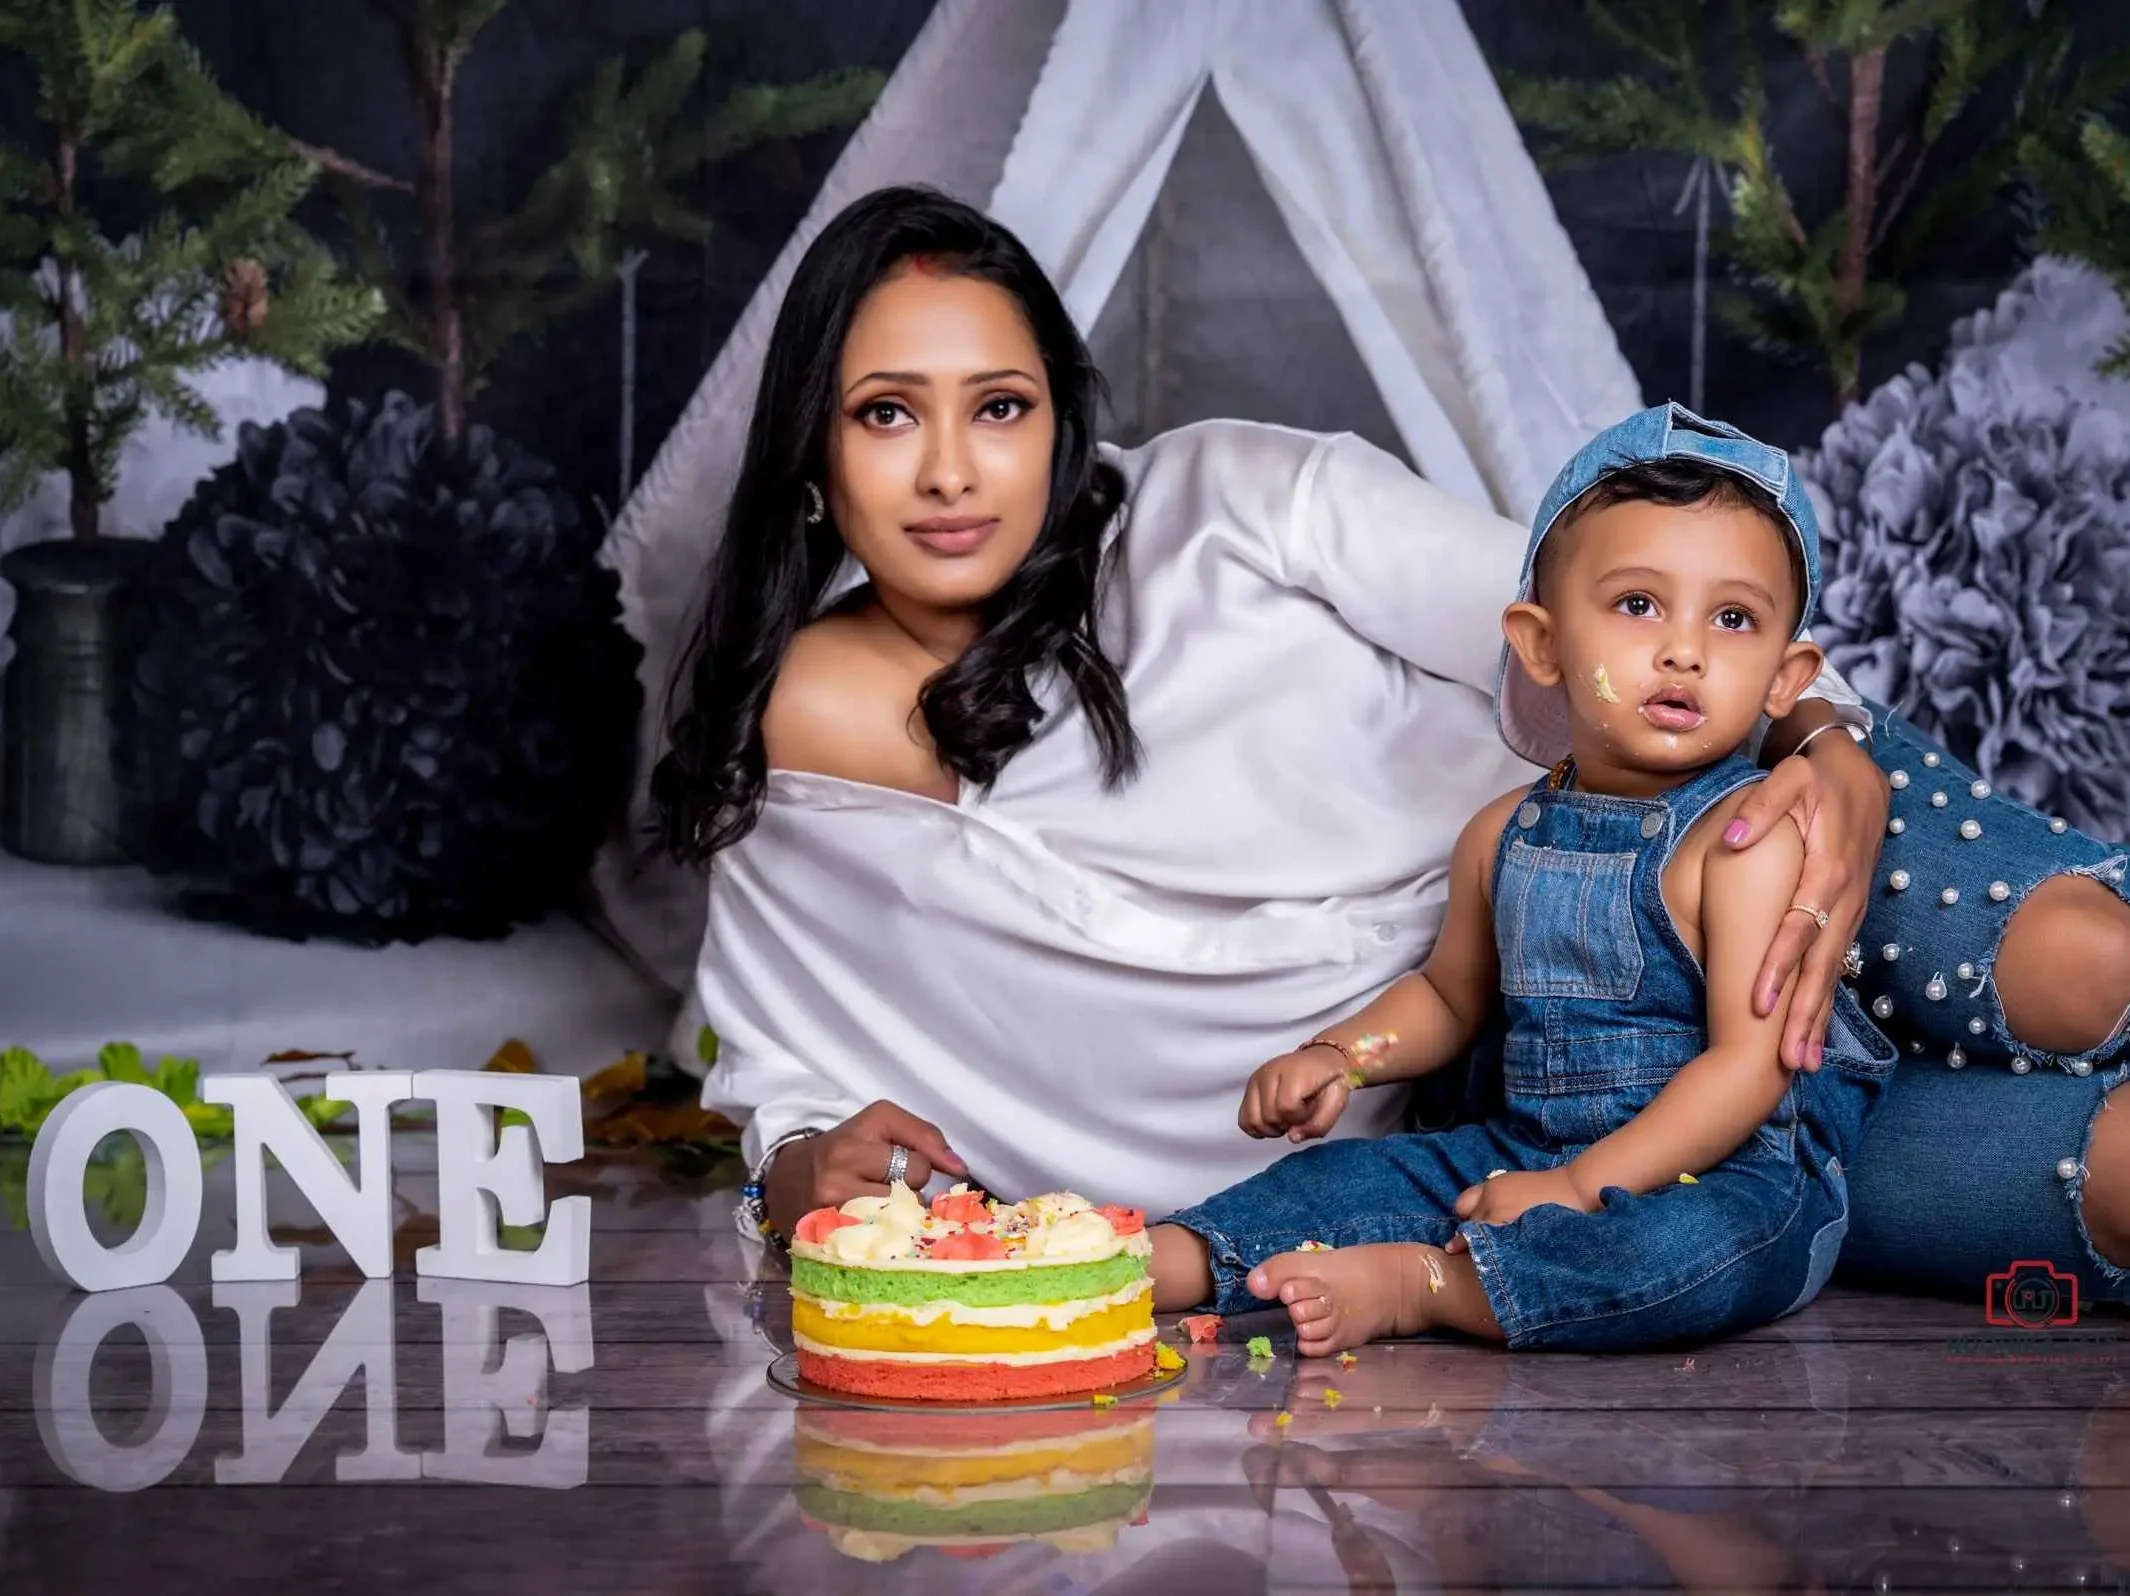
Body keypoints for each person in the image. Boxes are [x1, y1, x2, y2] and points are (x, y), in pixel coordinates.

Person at [650, 185, 2130, 1311]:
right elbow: (783, 1068)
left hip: (1725, 814)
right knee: (2115, 1181)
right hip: (1533, 1089)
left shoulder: (1233, 508)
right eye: (888, 414)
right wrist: (798, 1174)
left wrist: (1831, 750)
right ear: (811, 453)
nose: (955, 470)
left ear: (1060, 417)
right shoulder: (793, 746)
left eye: (1002, 407)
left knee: (2081, 968)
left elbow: (1628, 626)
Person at [1146, 403, 1899, 1352]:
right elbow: (1446, 1001)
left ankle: (1431, 1286)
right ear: (1540, 643)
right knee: (1353, 1178)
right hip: (1523, 1143)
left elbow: (1745, 1070)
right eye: (1638, 605)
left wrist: (1582, 1191)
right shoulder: (1501, 832)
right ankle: (1158, 1257)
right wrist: (1344, 1055)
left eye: (1734, 619)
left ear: (1787, 679)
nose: (1684, 649)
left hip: (1723, 1169)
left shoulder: (1744, 839)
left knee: (1687, 1252)